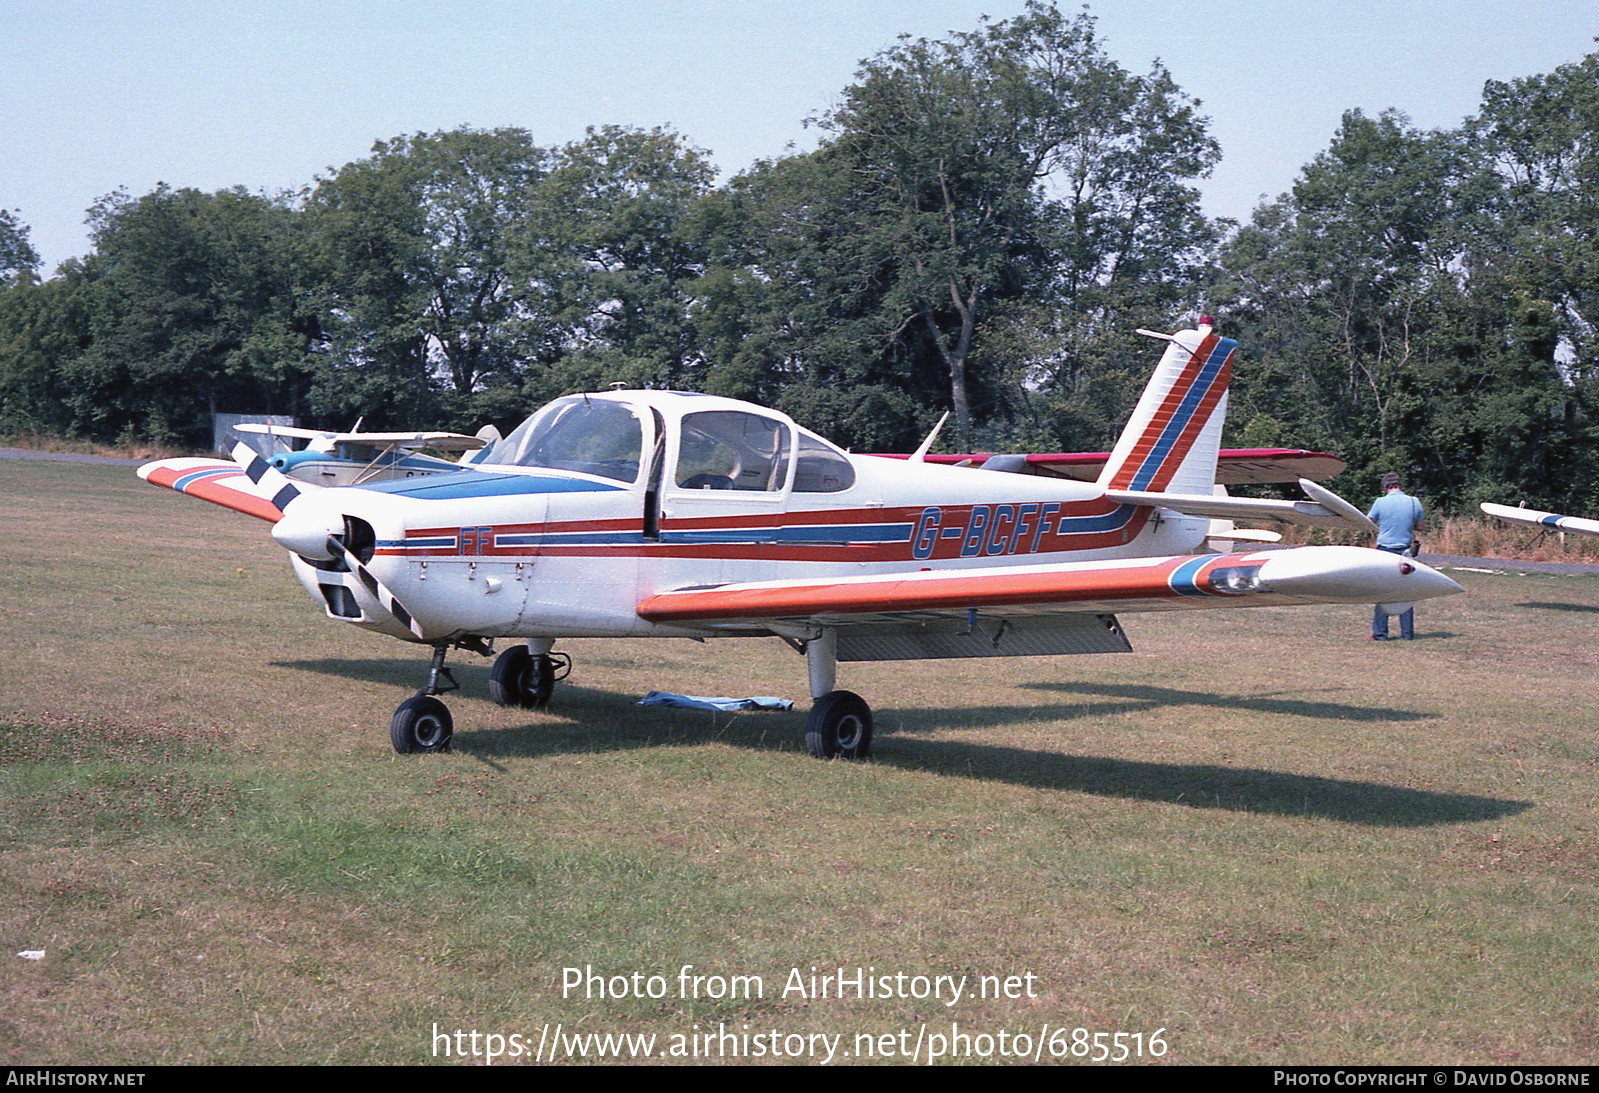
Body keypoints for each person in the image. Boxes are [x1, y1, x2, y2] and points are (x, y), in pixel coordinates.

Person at [1367, 472, 1424, 640]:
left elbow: (1368, 522)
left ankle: (1380, 633)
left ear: (1385, 486)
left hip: (1384, 550)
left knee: (1382, 591)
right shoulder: (1414, 502)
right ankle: (1407, 634)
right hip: (1405, 552)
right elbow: (1420, 527)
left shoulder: (1380, 502)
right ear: (1400, 485)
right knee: (1405, 592)